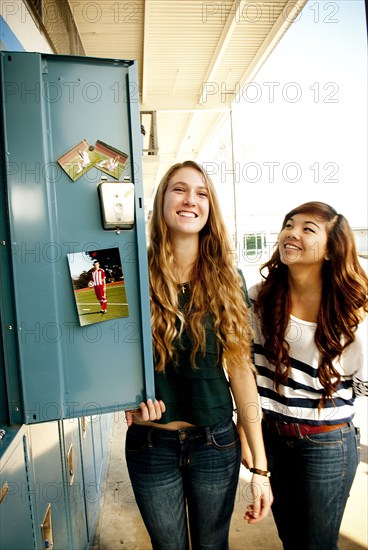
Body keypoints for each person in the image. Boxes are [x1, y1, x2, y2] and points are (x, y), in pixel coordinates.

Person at [125, 160, 273, 550]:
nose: (191, 199)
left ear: (210, 208)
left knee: (212, 546)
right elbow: (95, 347)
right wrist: (120, 400)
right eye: (179, 189)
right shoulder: (130, 271)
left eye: (202, 192)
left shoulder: (228, 277)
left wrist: (260, 468)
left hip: (216, 443)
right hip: (150, 443)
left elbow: (242, 373)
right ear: (161, 201)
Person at [246, 201, 367, 550]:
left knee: (316, 544)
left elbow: (365, 384)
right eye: (288, 224)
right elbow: (249, 375)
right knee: (291, 540)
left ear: (331, 250)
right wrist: (248, 437)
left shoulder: (353, 311)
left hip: (326, 444)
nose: (291, 233)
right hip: (272, 437)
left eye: (307, 229)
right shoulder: (259, 299)